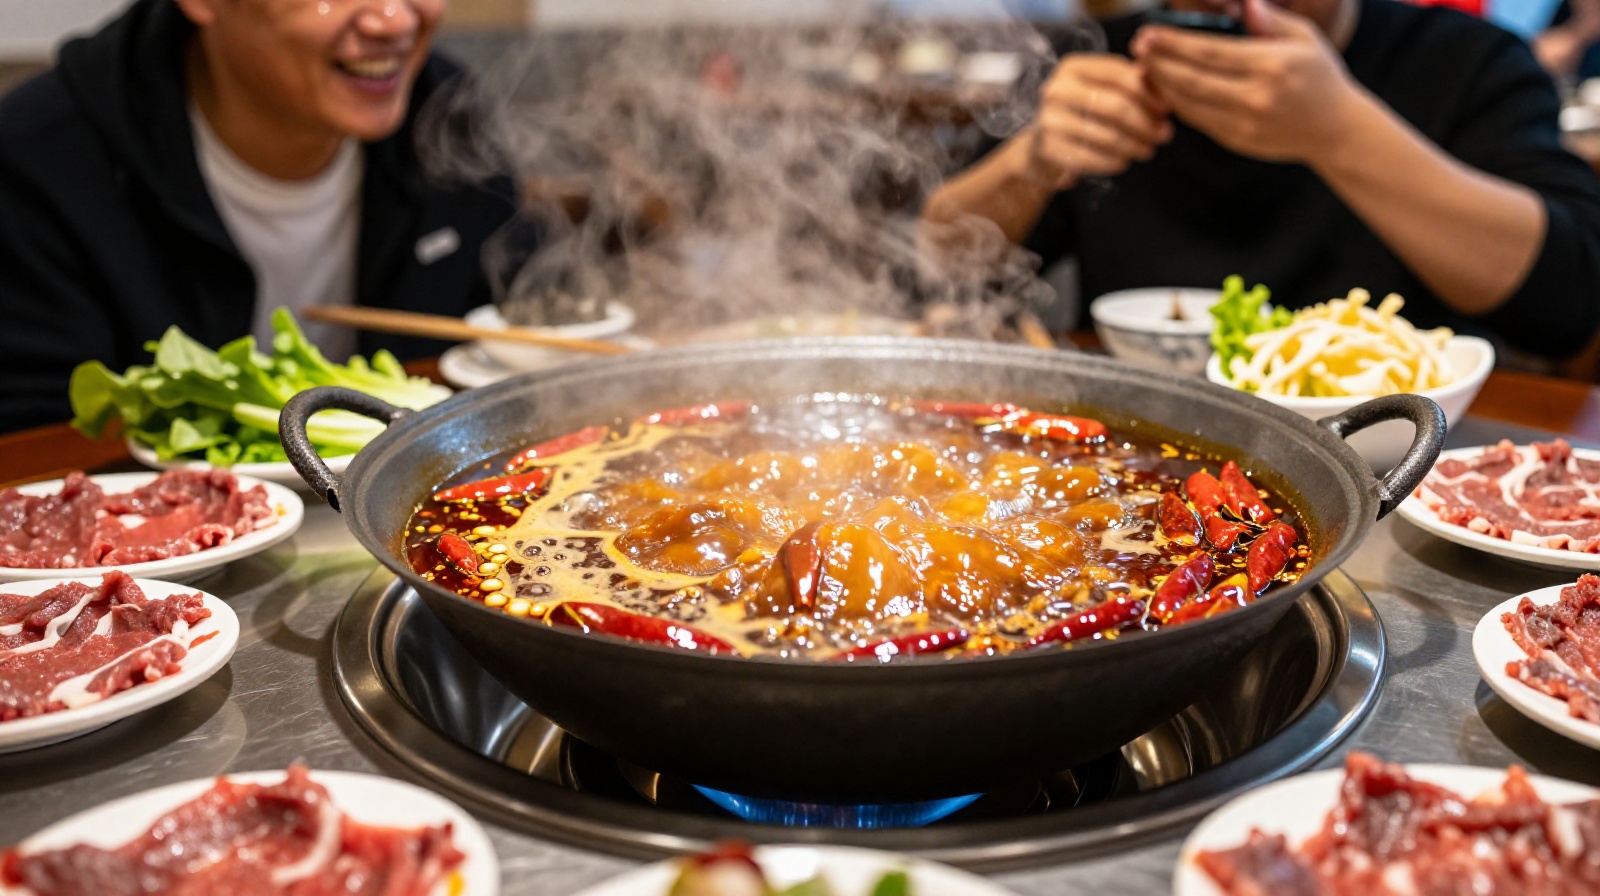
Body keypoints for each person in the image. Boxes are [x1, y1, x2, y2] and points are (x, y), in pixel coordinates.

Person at [923, 0, 1600, 358]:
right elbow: (935, 262)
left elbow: (1567, 301)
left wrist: (1338, 131)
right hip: (1144, 443)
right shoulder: (1093, 55)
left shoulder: (1463, 60)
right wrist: (1035, 157)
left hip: (1394, 454)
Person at [0, 0, 517, 433]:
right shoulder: (40, 161)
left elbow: (511, 350)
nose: (393, 19)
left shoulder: (453, 124)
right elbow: (33, 453)